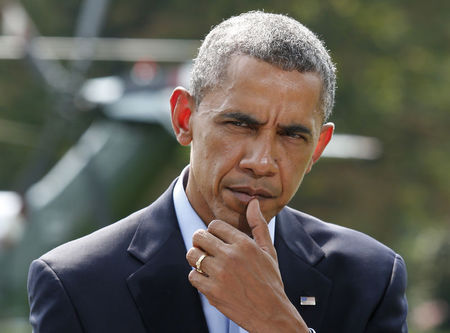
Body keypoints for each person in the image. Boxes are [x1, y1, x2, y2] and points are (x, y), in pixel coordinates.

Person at [27, 11, 408, 333]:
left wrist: (278, 323)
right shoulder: (76, 284)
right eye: (240, 124)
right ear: (183, 119)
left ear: (318, 149)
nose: (261, 161)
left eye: (292, 134)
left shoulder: (371, 279)